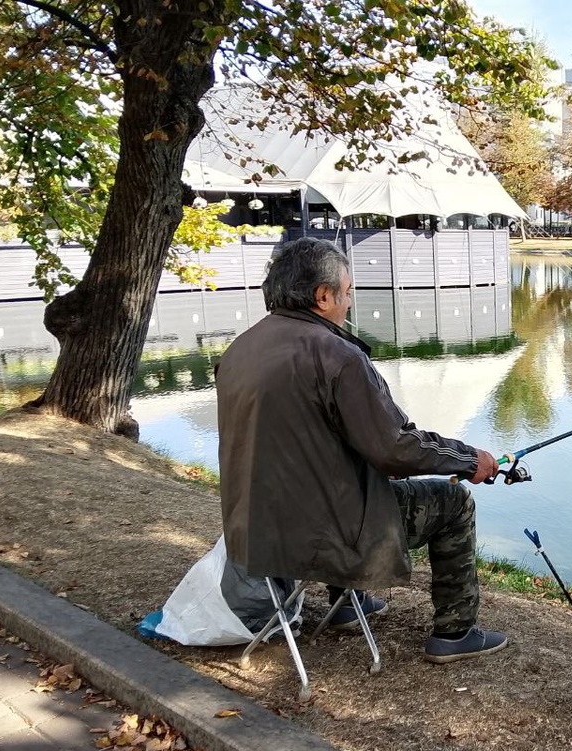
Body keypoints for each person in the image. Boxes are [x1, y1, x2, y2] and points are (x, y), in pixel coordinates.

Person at [215, 237, 508, 663]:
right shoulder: (339, 356)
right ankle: (455, 632)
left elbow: (314, 439)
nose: (349, 302)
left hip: (255, 530)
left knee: (342, 481)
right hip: (323, 535)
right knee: (453, 501)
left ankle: (348, 607)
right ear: (323, 295)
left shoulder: (240, 348)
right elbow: (395, 448)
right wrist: (469, 460)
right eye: (348, 292)